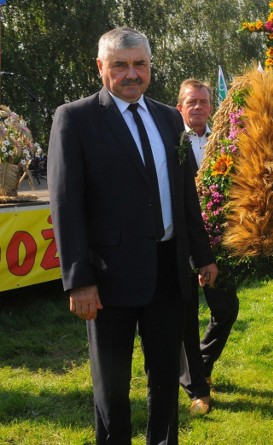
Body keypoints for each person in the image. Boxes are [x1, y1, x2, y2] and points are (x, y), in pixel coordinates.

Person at [47, 28, 218, 444]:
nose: (131, 74)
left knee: (164, 379)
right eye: (120, 65)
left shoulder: (167, 117)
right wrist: (80, 280)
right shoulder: (75, 118)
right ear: (101, 67)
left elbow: (184, 195)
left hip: (167, 272)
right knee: (112, 388)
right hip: (107, 280)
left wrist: (202, 254)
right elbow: (65, 206)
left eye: (139, 64)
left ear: (150, 67)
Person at [176, 79, 239, 415]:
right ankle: (196, 387)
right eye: (192, 102)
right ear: (180, 107)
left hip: (217, 243)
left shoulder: (224, 141)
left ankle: (199, 364)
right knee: (186, 316)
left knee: (226, 310)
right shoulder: (172, 140)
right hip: (181, 242)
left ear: (211, 107)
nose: (198, 107)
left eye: (203, 101)